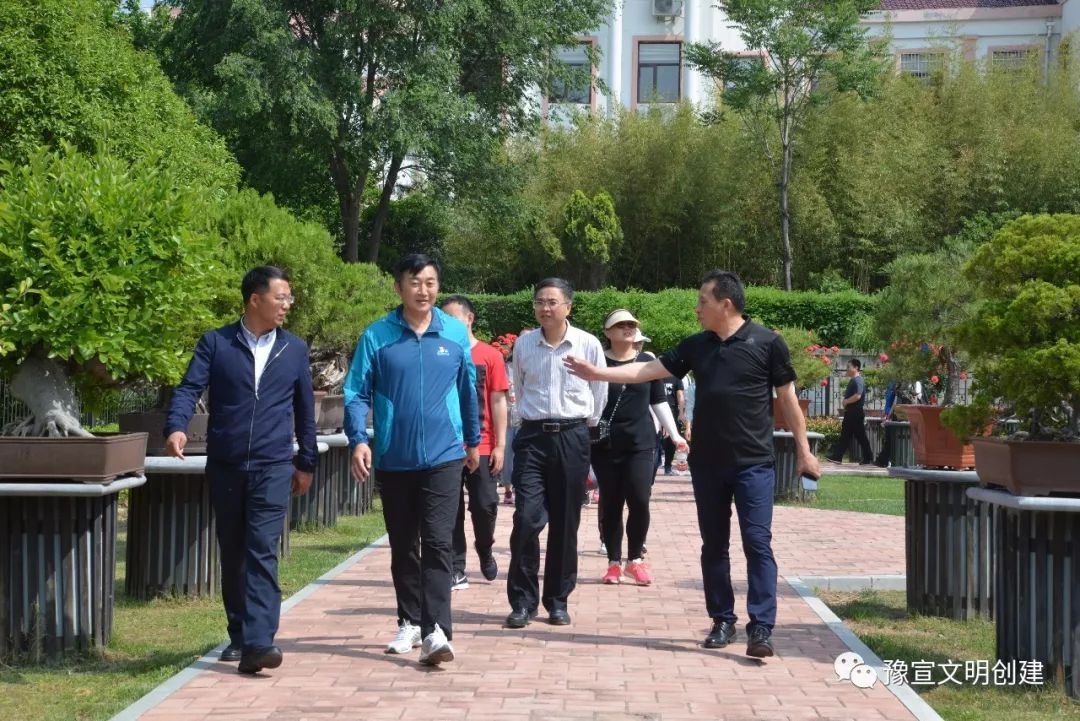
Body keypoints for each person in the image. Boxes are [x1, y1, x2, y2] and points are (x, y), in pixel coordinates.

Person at [564, 270, 820, 659]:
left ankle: (761, 627)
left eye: (703, 301)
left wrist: (804, 451)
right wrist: (597, 372)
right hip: (708, 465)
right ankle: (722, 621)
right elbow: (647, 370)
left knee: (757, 543)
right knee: (714, 545)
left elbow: (787, 398)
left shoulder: (767, 343)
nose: (697, 308)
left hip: (754, 464)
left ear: (726, 305)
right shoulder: (697, 345)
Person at [165, 265, 317, 675]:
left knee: (262, 549)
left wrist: (306, 462)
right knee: (233, 551)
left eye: (289, 298)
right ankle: (239, 635)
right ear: (255, 299)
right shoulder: (216, 343)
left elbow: (305, 409)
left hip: (273, 465)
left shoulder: (294, 349)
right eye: (281, 297)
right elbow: (189, 388)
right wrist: (176, 426)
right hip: (227, 465)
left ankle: (259, 642)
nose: (287, 304)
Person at [343, 254, 480, 666]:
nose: (423, 290)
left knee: (438, 542)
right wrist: (358, 439)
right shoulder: (377, 335)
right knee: (404, 544)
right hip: (394, 457)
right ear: (398, 286)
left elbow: (468, 390)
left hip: (445, 455)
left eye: (430, 282)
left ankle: (437, 631)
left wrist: (473, 441)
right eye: (415, 282)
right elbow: (356, 392)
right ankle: (410, 621)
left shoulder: (453, 332)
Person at [504, 278, 607, 629]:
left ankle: (558, 600)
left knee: (565, 522)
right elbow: (519, 388)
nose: (544, 308)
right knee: (526, 518)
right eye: (539, 302)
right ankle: (523, 602)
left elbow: (599, 391)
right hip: (532, 437)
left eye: (551, 302)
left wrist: (584, 426)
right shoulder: (524, 344)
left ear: (568, 306)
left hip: (572, 436)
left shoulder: (588, 344)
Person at [592, 309, 686, 587]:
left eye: (631, 324)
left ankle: (635, 560)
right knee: (611, 502)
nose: (627, 328)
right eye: (620, 325)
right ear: (607, 332)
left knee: (640, 499)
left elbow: (658, 401)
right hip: (605, 443)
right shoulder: (597, 362)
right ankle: (613, 563)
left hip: (641, 442)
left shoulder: (647, 362)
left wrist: (675, 434)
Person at [439, 295, 509, 590]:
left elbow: (498, 401)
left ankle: (485, 547)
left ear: (469, 319)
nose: (446, 325)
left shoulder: (489, 356)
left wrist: (500, 445)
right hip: (446, 446)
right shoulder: (439, 353)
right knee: (450, 509)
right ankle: (456, 567)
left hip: (483, 443)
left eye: (452, 318)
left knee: (485, 504)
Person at [827, 359, 875, 466]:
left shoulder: (858, 380)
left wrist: (846, 401)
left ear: (856, 368)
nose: (847, 369)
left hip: (855, 413)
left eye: (849, 367)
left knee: (855, 436)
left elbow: (858, 395)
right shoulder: (853, 380)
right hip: (852, 412)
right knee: (850, 435)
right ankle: (839, 457)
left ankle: (839, 457)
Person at [659, 374, 687, 474]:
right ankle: (657, 461)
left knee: (671, 439)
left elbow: (680, 395)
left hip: (672, 410)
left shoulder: (676, 378)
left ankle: (667, 466)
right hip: (656, 409)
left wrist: (681, 413)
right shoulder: (657, 377)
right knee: (657, 437)